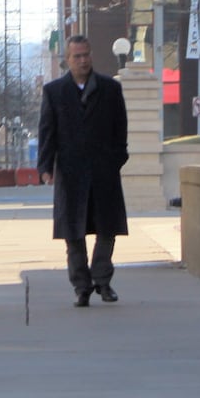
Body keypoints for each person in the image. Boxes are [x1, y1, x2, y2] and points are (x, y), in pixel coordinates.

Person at [37, 34, 130, 307]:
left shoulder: (110, 89)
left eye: (86, 54)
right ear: (67, 60)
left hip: (104, 170)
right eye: (77, 56)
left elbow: (120, 128)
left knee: (107, 228)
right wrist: (45, 167)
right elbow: (47, 132)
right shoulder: (54, 92)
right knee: (73, 232)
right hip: (70, 172)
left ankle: (103, 280)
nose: (83, 60)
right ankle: (82, 286)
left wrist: (117, 158)